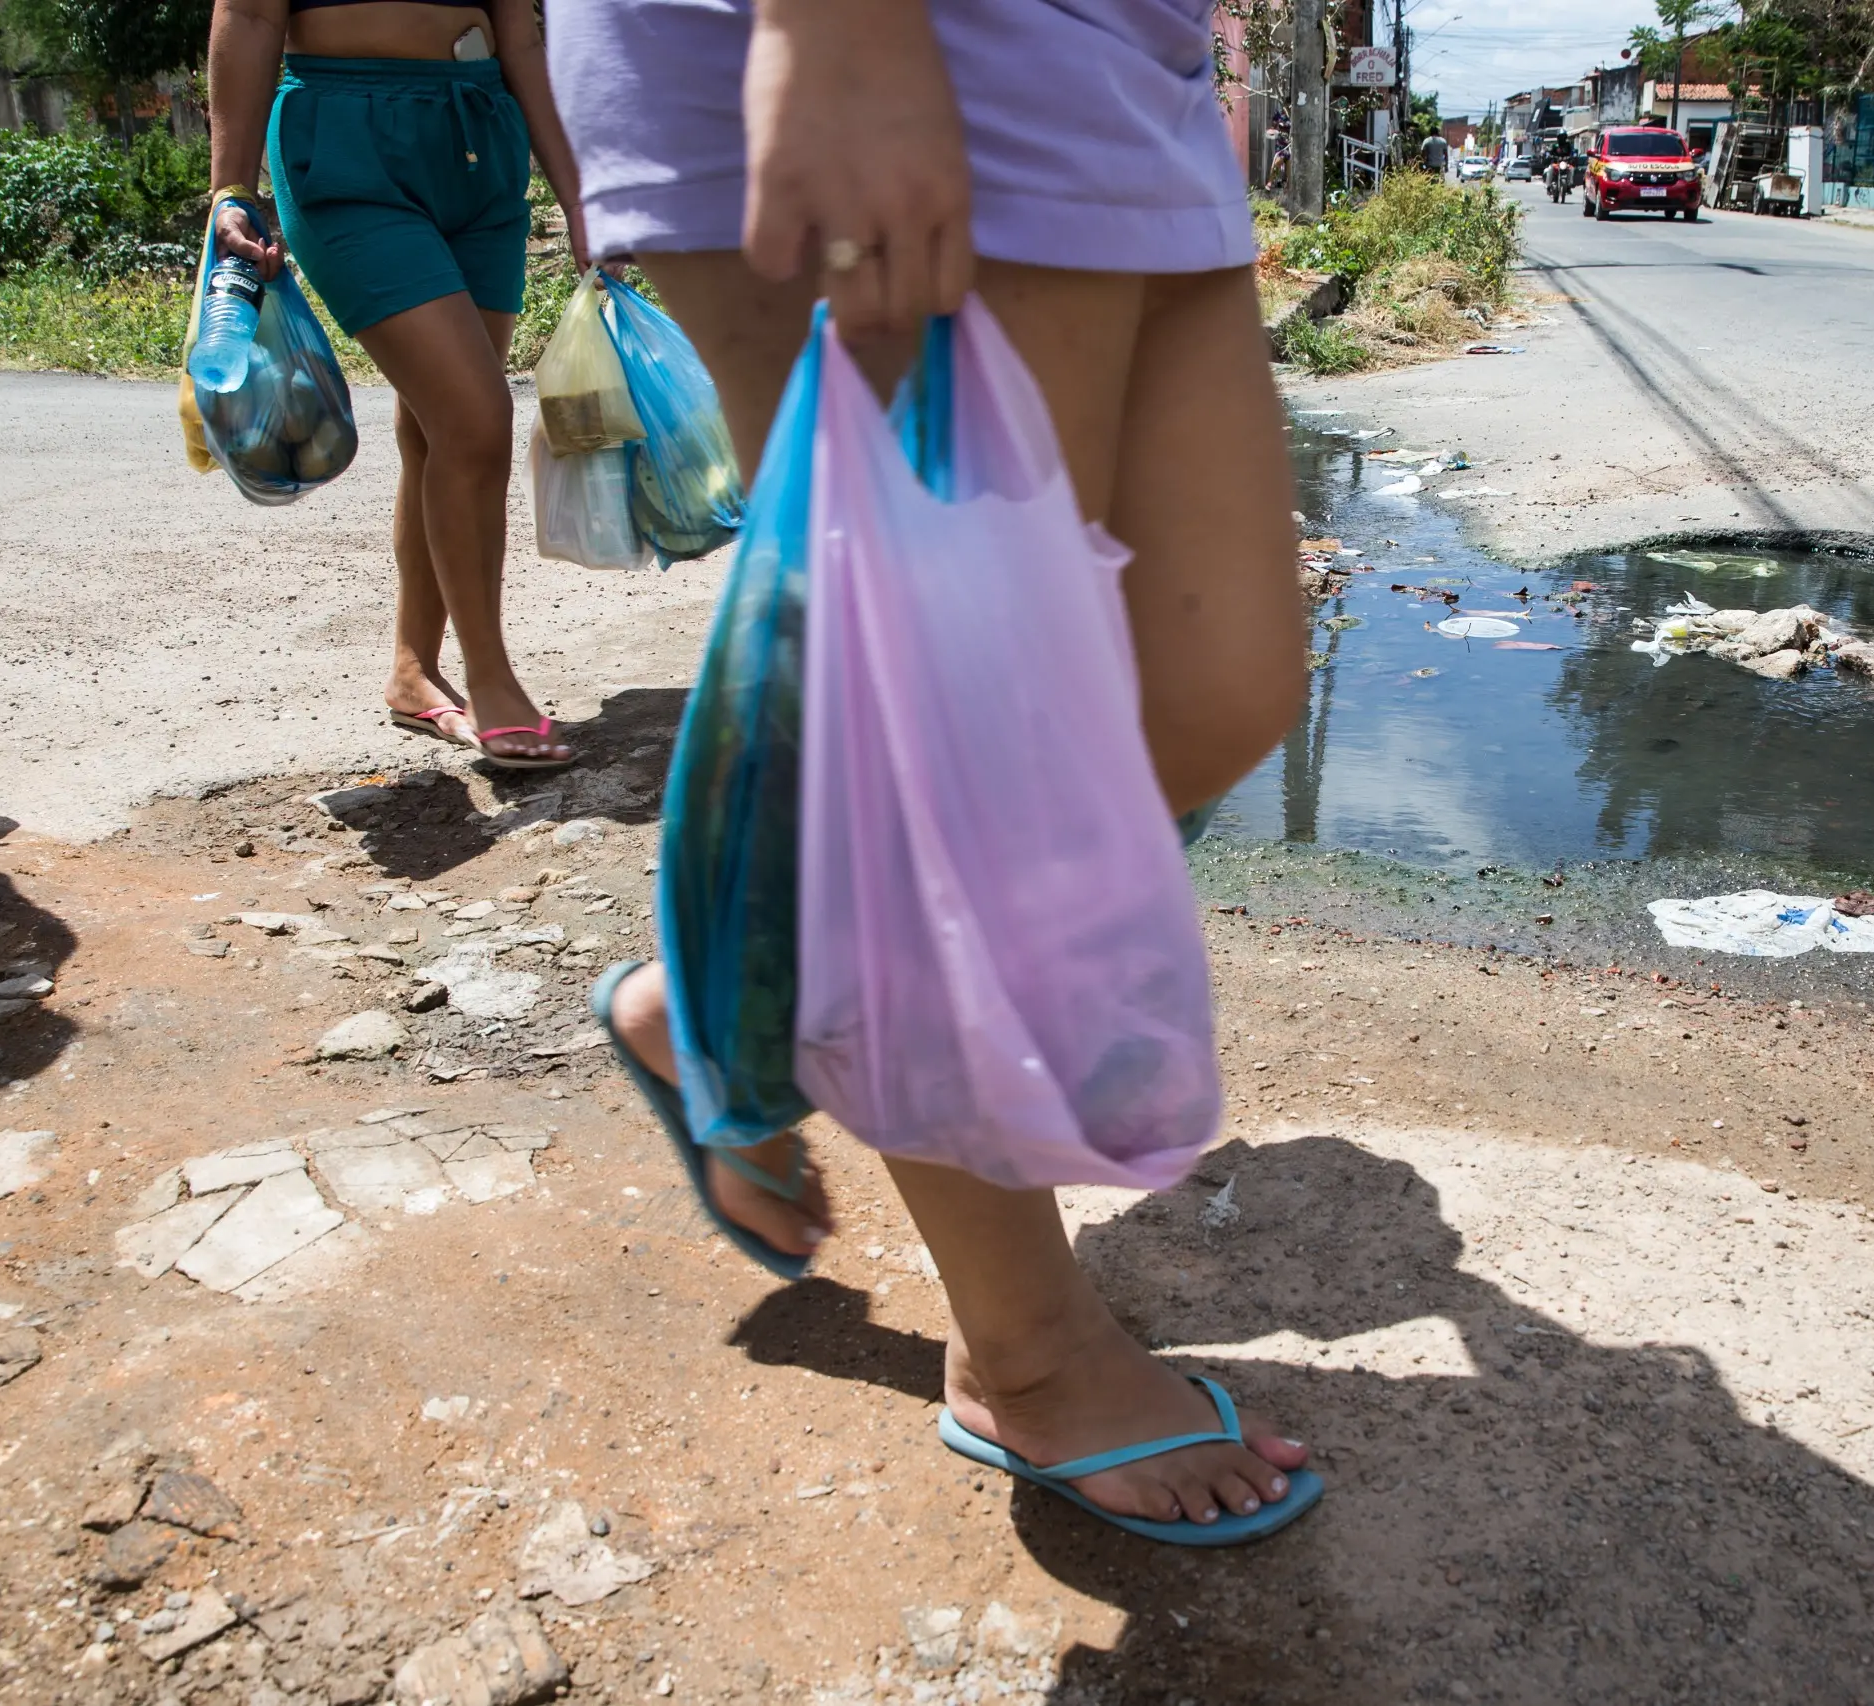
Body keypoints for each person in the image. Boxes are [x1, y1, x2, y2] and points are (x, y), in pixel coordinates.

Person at [551, 0, 1318, 1540]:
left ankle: (748, 977)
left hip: (1124, 41)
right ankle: (1025, 1358)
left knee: (1218, 681)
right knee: (952, 744)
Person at [208, 0, 589, 769]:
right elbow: (249, 16)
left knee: (435, 426)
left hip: (481, 137)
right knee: (475, 422)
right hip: (347, 140)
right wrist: (229, 189)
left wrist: (582, 196)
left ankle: (414, 673)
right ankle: (493, 682)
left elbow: (519, 33)